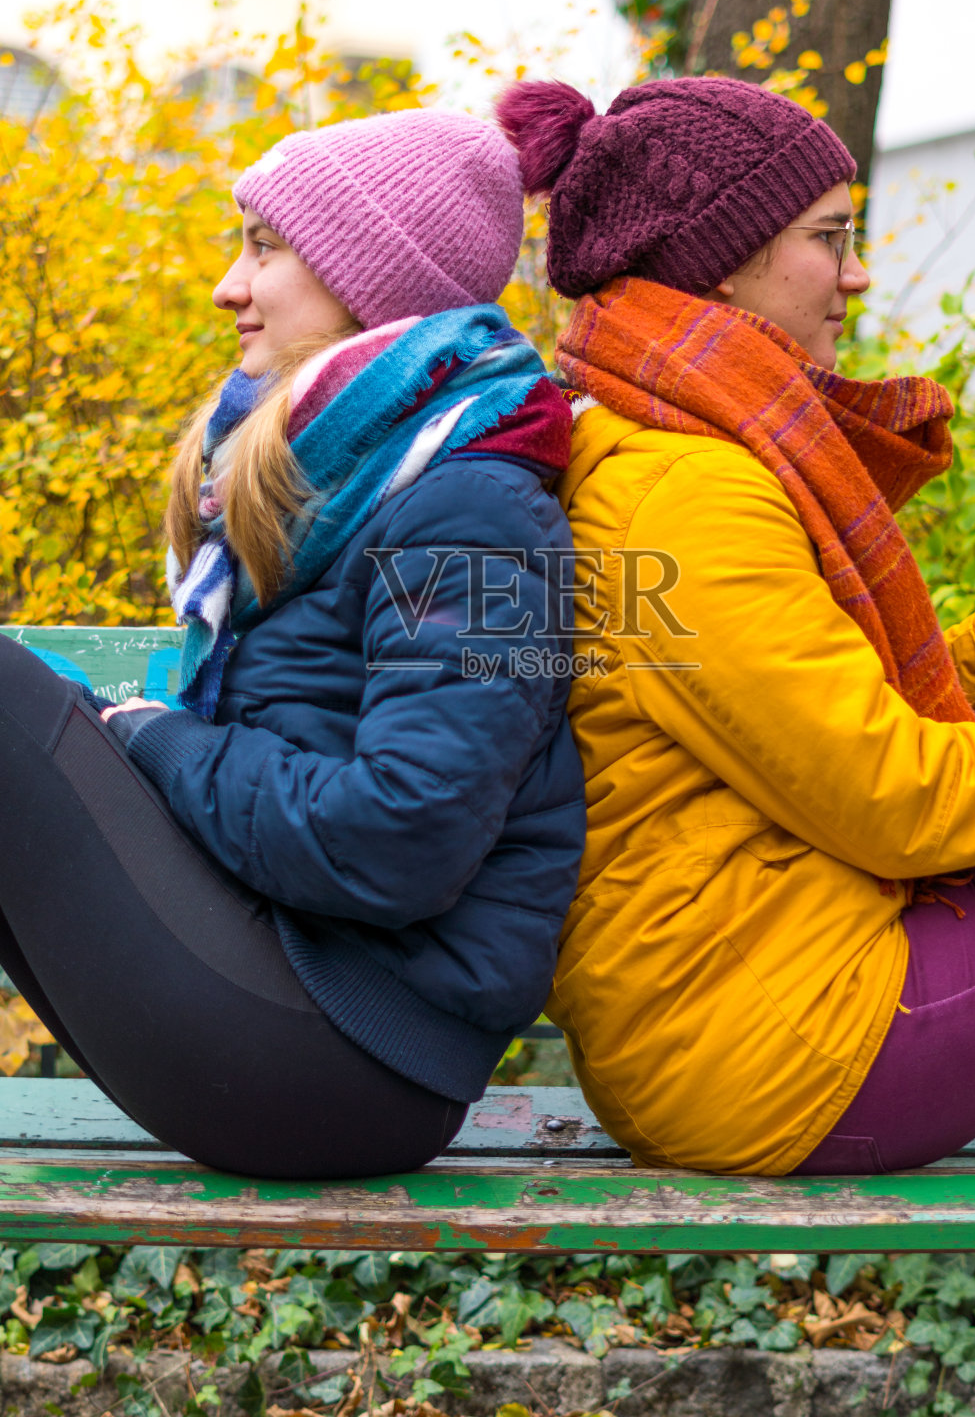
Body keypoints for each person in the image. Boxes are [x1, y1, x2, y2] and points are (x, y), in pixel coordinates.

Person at [495, 75, 975, 1177]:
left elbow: (805, 725)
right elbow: (894, 802)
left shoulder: (661, 438)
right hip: (780, 1056)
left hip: (731, 1008)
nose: (855, 273)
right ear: (721, 258)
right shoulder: (690, 493)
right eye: (828, 237)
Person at [0, 109, 585, 1179]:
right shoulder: (356, 479)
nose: (230, 285)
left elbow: (401, 835)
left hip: (349, 1051)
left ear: (370, 280)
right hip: (294, 1004)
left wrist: (160, 744)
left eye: (264, 247)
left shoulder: (482, 516)